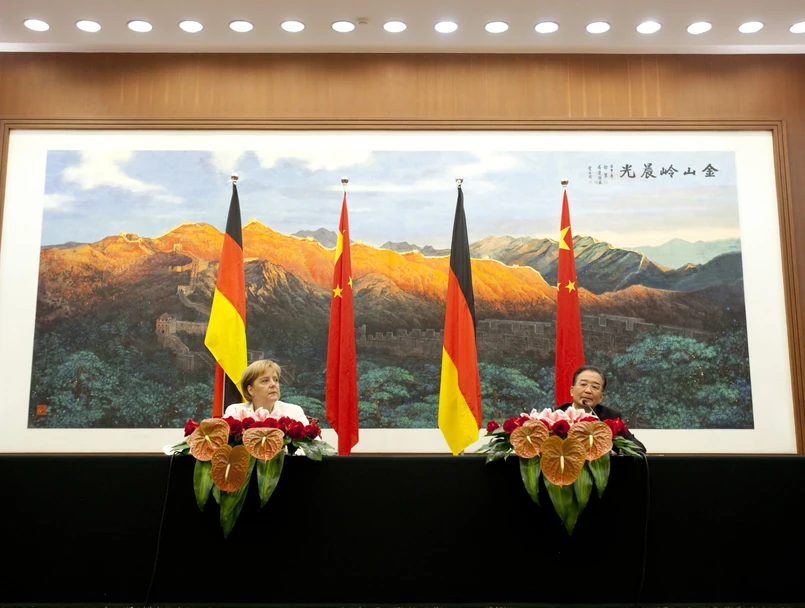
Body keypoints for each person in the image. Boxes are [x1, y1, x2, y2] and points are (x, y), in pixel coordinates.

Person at [557, 365, 646, 453]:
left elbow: (638, 448)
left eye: (595, 387)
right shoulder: (556, 416)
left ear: (601, 397)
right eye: (583, 384)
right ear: (572, 391)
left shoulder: (610, 417)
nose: (588, 390)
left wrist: (617, 451)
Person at [224, 359, 309, 425]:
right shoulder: (235, 411)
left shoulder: (294, 412)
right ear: (251, 390)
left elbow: (311, 442)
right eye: (265, 381)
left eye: (275, 380)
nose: (273, 384)